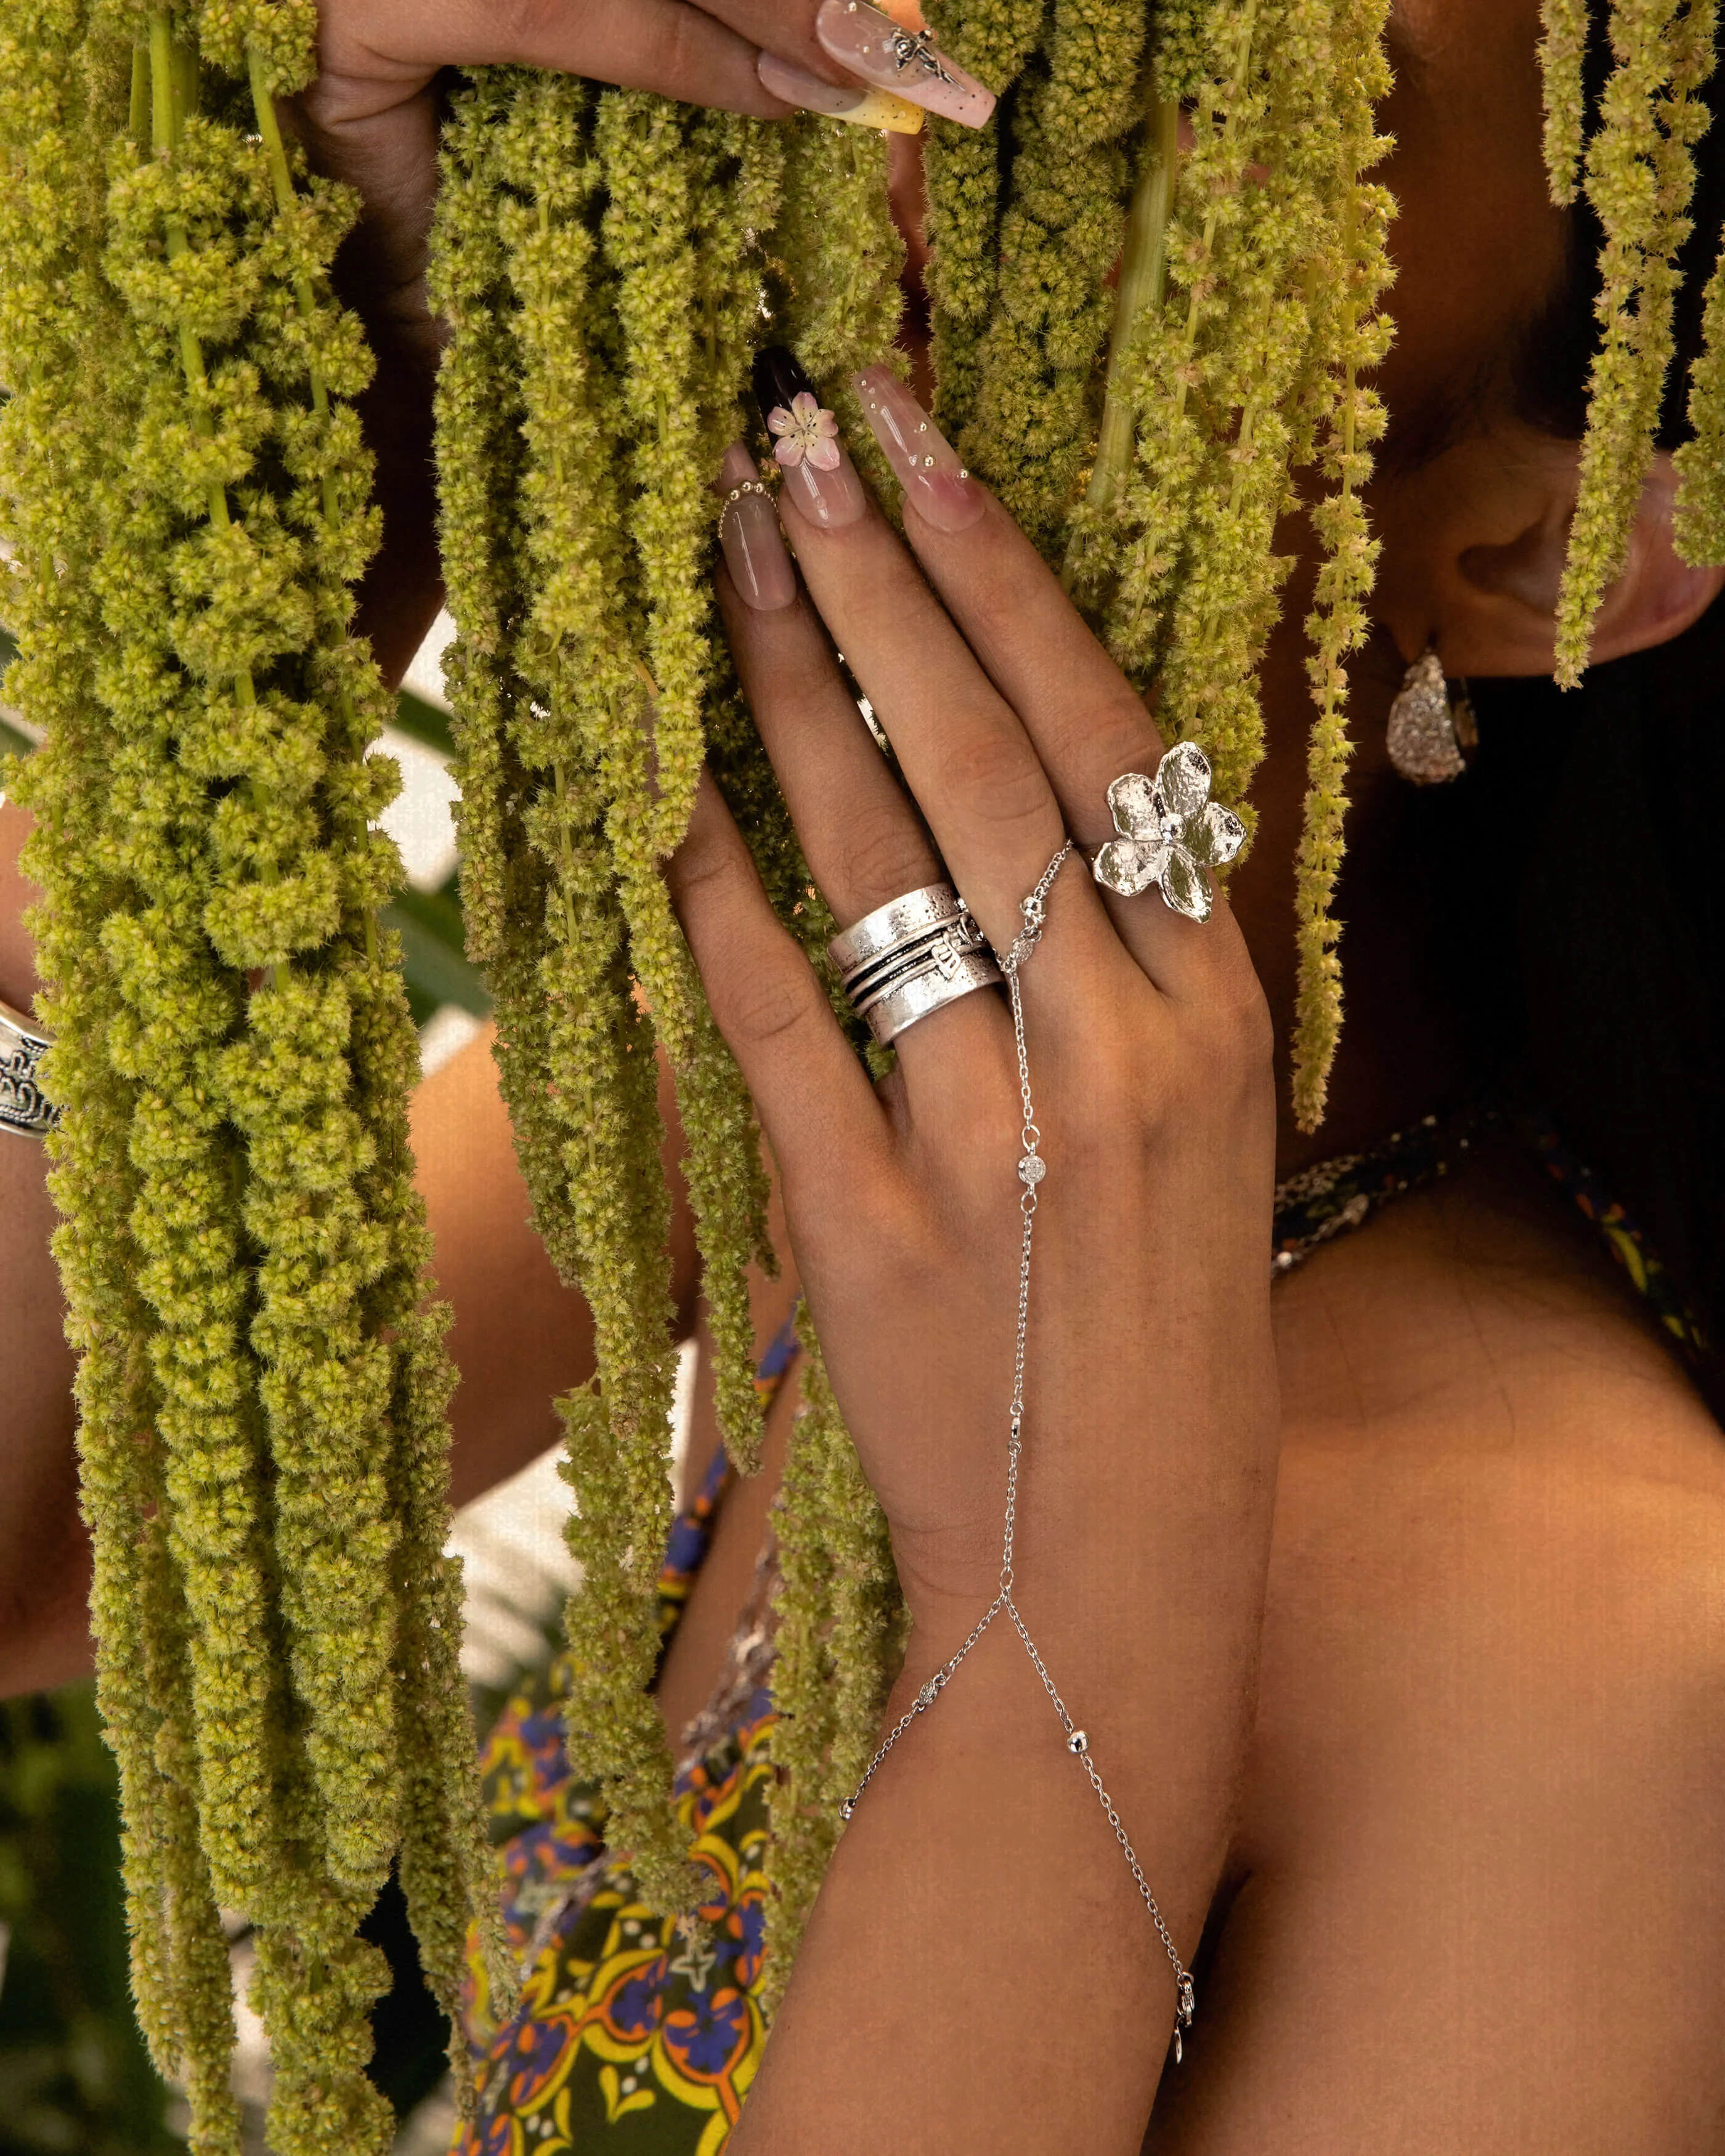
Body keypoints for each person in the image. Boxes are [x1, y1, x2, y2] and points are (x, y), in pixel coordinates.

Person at [2, 1, 1723, 2149]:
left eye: (1208, 81)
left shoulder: (1595, 1665)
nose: (923, 136)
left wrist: (1064, 1670)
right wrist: (306, 461)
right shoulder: (805, 1116)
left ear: (1544, 562)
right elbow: (41, 1541)